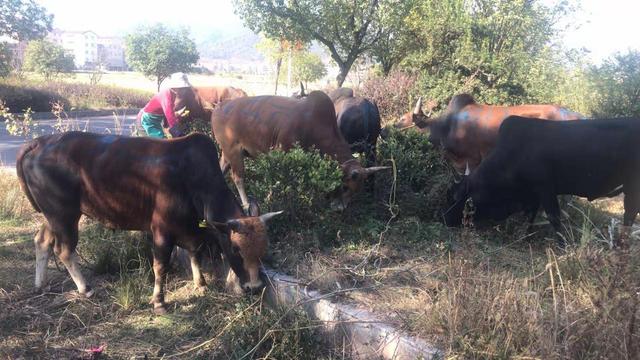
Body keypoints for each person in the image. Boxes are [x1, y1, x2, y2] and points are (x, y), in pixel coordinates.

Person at [138, 72, 193, 138]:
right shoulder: (166, 95)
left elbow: (170, 113)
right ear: (175, 87)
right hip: (147, 119)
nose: (184, 91)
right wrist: (179, 135)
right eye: (182, 88)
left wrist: (177, 117)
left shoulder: (173, 94)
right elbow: (170, 116)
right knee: (160, 142)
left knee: (161, 140)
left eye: (184, 88)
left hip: (155, 120)